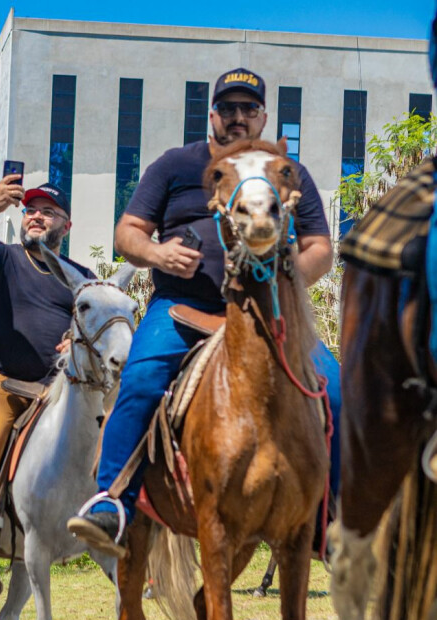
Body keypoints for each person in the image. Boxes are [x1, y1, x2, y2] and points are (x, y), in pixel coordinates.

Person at [67, 68, 341, 557]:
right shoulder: (175, 165)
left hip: (269, 315)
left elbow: (321, 246)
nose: (238, 118)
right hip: (184, 310)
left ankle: (334, 516)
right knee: (143, 380)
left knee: (334, 388)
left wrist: (287, 277)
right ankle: (111, 503)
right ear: (212, 113)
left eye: (249, 109)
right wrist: (157, 255)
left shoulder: (288, 171)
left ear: (262, 116)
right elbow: (128, 231)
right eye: (229, 108)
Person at [0, 180, 95, 597]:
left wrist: (78, 338)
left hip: (57, 390)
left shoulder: (82, 278)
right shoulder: (3, 257)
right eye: (31, 209)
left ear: (66, 226)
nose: (36, 215)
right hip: (0, 381)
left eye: (47, 211)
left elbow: (95, 327)